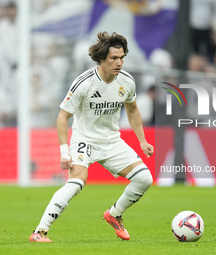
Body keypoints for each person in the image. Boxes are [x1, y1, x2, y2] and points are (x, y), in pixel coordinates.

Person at [29, 31, 154, 242]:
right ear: (102, 59)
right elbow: (62, 117)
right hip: (84, 140)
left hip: (112, 141)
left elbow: (132, 110)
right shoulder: (84, 83)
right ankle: (40, 231)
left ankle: (114, 214)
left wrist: (142, 140)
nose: (119, 62)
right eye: (114, 58)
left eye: (122, 57)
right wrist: (64, 152)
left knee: (144, 178)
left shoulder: (126, 81)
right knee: (76, 183)